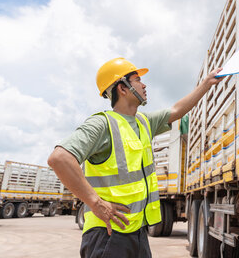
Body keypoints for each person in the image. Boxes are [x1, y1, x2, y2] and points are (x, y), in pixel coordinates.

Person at [48, 57, 223, 258]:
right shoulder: (102, 124)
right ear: (122, 88)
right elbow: (59, 158)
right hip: (107, 234)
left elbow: (176, 110)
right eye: (137, 80)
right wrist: (95, 202)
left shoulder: (143, 122)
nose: (144, 84)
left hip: (136, 232)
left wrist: (206, 83)